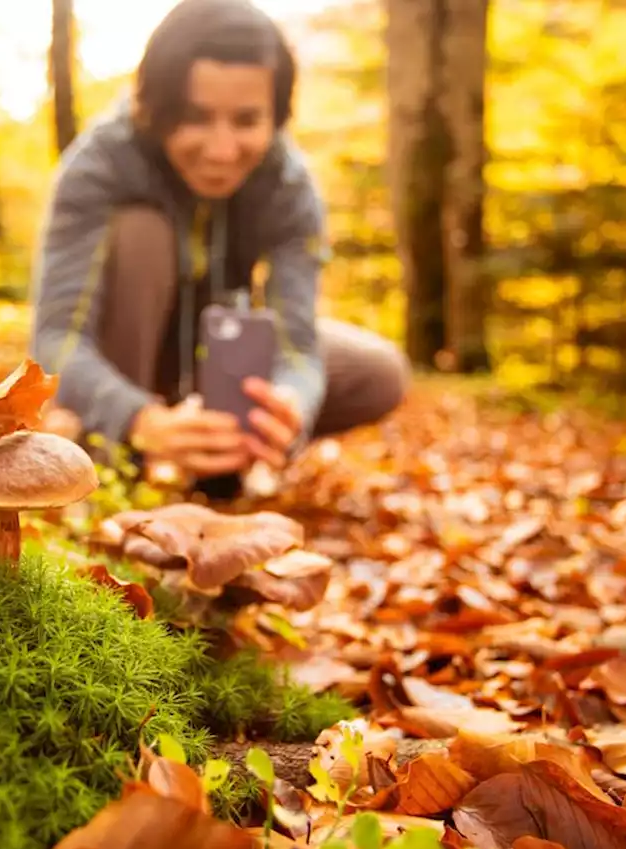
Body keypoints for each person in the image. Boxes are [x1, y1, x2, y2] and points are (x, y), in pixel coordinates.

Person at [28, 0, 410, 493]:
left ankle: (223, 462)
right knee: (141, 236)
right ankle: (114, 463)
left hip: (228, 359)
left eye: (247, 121)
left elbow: (298, 344)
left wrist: (290, 406)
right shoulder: (98, 167)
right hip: (128, 356)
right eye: (196, 117)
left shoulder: (288, 187)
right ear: (154, 106)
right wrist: (140, 419)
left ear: (277, 116)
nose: (222, 150)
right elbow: (56, 339)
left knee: (378, 371)